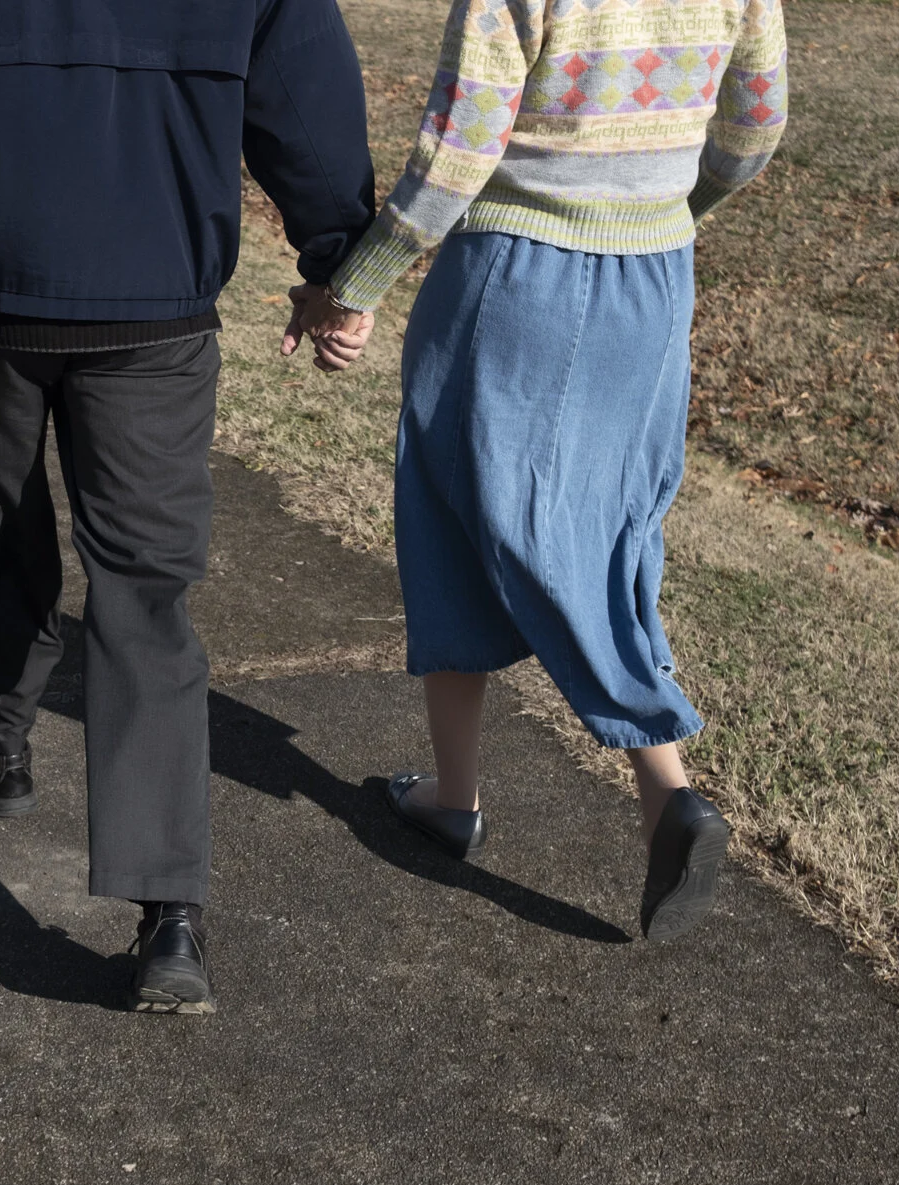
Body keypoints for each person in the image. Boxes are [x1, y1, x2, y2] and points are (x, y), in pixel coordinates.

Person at [0, 0, 376, 1012]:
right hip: (150, 304)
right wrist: (337, 262)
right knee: (144, 591)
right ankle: (167, 913)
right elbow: (306, 101)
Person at [286, 0, 788, 939]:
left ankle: (648, 779)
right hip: (655, 279)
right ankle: (477, 794)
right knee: (607, 522)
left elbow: (460, 143)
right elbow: (757, 123)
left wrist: (358, 284)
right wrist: (681, 210)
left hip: (519, 271)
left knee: (451, 508)